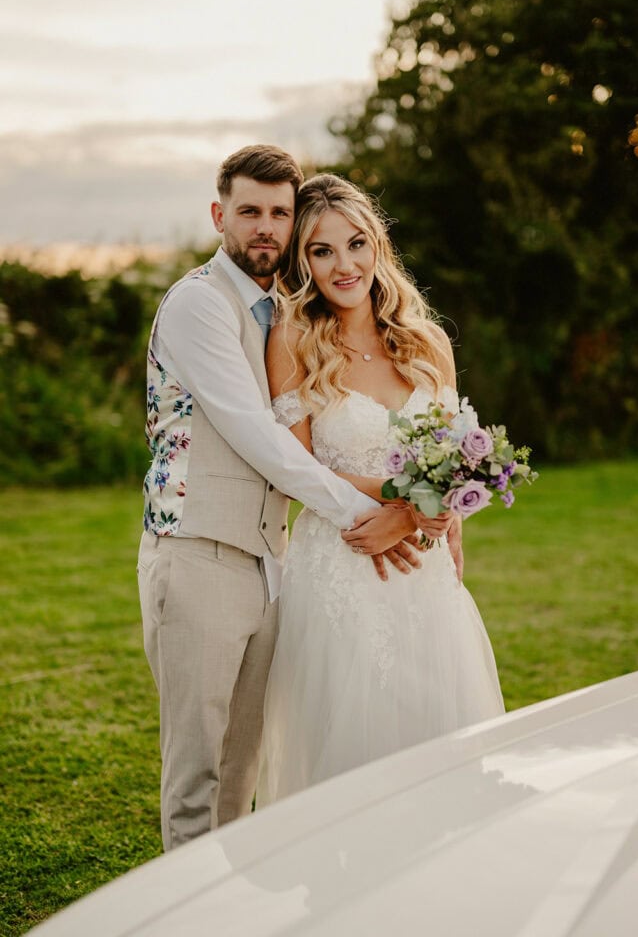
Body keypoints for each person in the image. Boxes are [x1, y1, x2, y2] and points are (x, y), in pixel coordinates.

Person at [137, 146, 431, 850]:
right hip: (199, 552)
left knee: (242, 768)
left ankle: (225, 911)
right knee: (197, 773)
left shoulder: (281, 315)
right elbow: (260, 441)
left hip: (269, 564)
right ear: (220, 216)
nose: (265, 228)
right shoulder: (200, 305)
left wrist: (421, 511)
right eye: (249, 212)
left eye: (279, 213)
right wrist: (378, 513)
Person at [256, 174, 504, 804]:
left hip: (426, 572)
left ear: (378, 246)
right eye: (322, 250)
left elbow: (453, 462)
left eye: (357, 244)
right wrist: (403, 506)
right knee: (350, 763)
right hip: (343, 565)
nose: (345, 265)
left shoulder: (427, 342)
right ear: (301, 262)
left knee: (437, 756)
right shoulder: (293, 341)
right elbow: (296, 468)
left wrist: (441, 524)